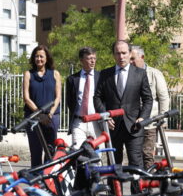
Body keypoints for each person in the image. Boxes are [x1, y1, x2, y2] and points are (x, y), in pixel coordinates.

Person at [94, 40, 153, 169]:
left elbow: (148, 99)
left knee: (136, 164)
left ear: (130, 53)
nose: (121, 57)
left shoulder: (140, 74)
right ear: (113, 55)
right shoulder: (105, 74)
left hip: (134, 127)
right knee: (114, 165)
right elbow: (97, 98)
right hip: (112, 127)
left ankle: (137, 190)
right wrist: (105, 116)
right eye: (117, 53)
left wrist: (143, 117)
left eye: (124, 53)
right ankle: (114, 190)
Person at [130, 46, 170, 169]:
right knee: (134, 155)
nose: (130, 62)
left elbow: (163, 97)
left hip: (150, 123)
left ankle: (148, 184)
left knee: (147, 153)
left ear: (142, 57)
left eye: (133, 59)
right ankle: (138, 183)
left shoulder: (154, 74)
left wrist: (163, 119)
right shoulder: (129, 74)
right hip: (132, 122)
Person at [23, 45, 61, 167]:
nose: (39, 59)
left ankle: (48, 179)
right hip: (33, 117)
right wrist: (40, 114)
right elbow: (26, 98)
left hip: (51, 117)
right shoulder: (28, 74)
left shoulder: (55, 74)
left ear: (47, 58)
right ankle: (36, 179)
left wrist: (49, 114)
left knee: (50, 150)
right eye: (36, 56)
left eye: (41, 56)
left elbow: (58, 97)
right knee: (35, 151)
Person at [66, 47, 101, 149]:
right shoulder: (72, 79)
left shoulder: (101, 77)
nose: (93, 61)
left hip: (96, 122)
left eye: (94, 58)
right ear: (81, 60)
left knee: (96, 155)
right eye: (89, 58)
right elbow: (70, 101)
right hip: (79, 121)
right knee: (77, 152)